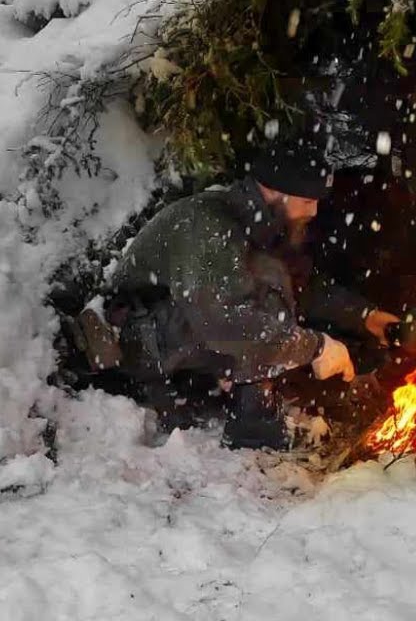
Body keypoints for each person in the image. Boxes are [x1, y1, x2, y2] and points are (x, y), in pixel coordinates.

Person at [106, 140, 399, 449]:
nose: (314, 211)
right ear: (273, 191)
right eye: (307, 200)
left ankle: (239, 397)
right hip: (138, 344)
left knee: (271, 283)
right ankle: (253, 424)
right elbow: (225, 322)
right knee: (258, 304)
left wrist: (365, 317)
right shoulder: (208, 224)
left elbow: (302, 288)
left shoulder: (261, 223)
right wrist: (316, 348)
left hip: (184, 333)